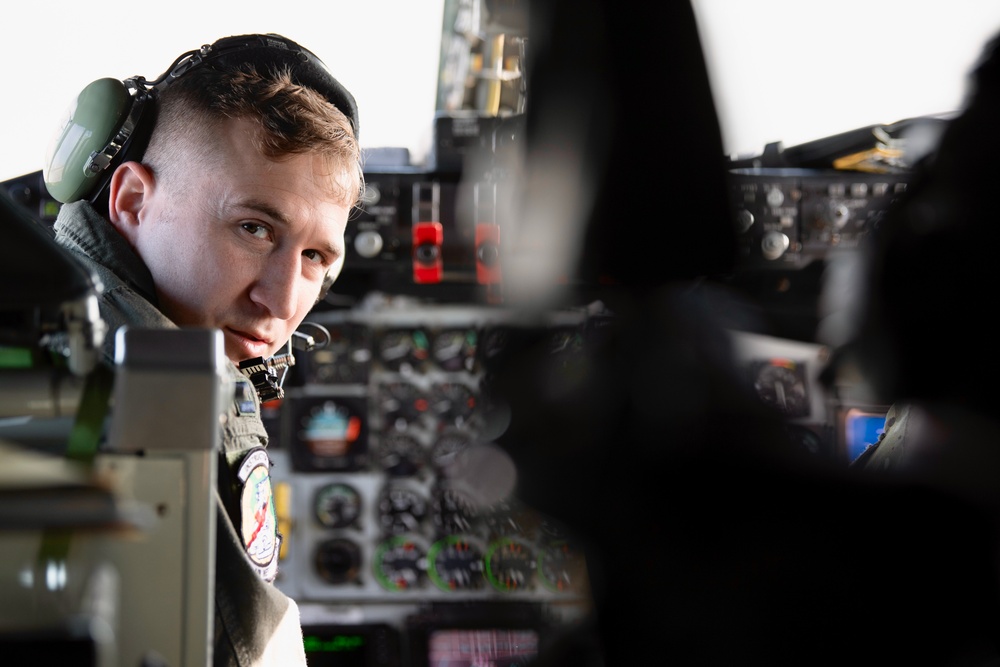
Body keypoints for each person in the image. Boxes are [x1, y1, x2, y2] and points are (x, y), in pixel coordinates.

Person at [42, 33, 364, 665]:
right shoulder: (169, 391)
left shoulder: (38, 308)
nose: (281, 300)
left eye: (315, 257)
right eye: (253, 228)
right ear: (133, 200)